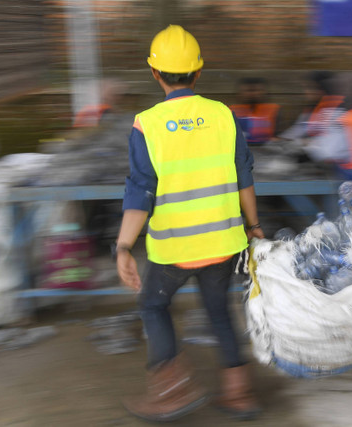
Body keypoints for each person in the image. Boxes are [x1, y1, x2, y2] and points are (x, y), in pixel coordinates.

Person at [115, 25, 264, 422]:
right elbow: (244, 176)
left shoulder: (146, 125)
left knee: (153, 305)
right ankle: (239, 394)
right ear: (198, 73)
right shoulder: (224, 116)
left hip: (174, 249)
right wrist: (253, 227)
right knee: (219, 312)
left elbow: (140, 190)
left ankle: (171, 391)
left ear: (154, 73)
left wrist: (124, 247)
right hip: (223, 243)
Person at [229, 77, 281, 145]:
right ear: (240, 93)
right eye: (249, 90)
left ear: (264, 92)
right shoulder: (230, 110)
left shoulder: (274, 109)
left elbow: (277, 136)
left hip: (267, 148)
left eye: (257, 90)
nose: (253, 94)